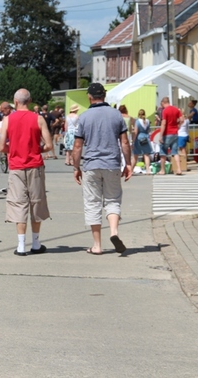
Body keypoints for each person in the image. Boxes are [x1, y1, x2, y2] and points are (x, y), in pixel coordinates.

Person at [72, 83, 132, 255]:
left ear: (89, 97)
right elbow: (125, 142)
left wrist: (76, 167)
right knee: (113, 200)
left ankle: (97, 245)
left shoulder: (84, 117)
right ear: (104, 96)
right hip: (112, 163)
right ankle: (114, 232)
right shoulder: (116, 115)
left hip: (91, 165)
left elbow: (77, 146)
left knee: (92, 203)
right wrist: (128, 164)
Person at [0, 89, 53, 256]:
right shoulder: (38, 118)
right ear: (30, 101)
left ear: (15, 102)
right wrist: (36, 149)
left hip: (16, 166)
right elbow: (49, 145)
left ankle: (21, 245)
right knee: (36, 201)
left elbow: (1, 147)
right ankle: (36, 243)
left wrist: (13, 150)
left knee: (18, 203)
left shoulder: (8, 120)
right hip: (35, 164)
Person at [158, 97, 184, 175]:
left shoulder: (165, 111)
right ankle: (179, 169)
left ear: (163, 103)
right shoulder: (176, 109)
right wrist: (178, 125)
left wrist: (160, 135)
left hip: (167, 133)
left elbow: (164, 123)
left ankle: (162, 170)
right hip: (175, 133)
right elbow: (182, 119)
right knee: (175, 152)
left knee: (163, 152)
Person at [132, 109, 153, 175]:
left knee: (136, 155)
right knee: (146, 154)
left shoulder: (137, 121)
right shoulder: (147, 121)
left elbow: (136, 132)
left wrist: (133, 140)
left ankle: (131, 170)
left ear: (138, 114)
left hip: (139, 138)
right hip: (145, 137)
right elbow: (149, 130)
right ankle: (148, 170)